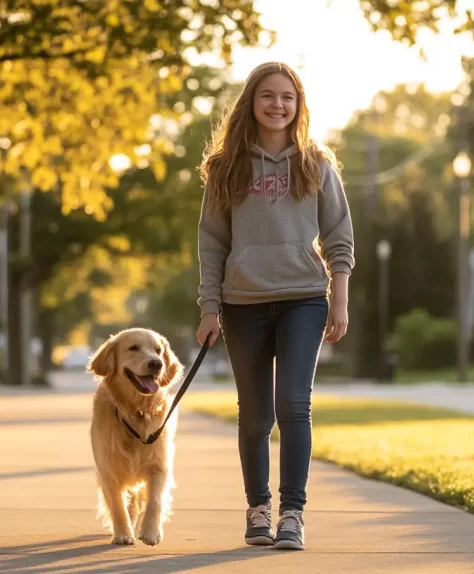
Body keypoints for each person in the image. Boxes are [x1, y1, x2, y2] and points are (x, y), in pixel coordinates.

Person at [194, 61, 355, 551]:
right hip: (243, 302)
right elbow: (211, 242)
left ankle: (292, 514)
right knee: (255, 415)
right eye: (269, 95)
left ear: (299, 105)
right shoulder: (227, 167)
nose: (278, 105)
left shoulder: (316, 164)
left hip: (304, 298)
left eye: (288, 97)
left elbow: (339, 238)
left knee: (293, 404)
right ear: (252, 101)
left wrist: (339, 301)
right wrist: (209, 306)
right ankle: (258, 509)